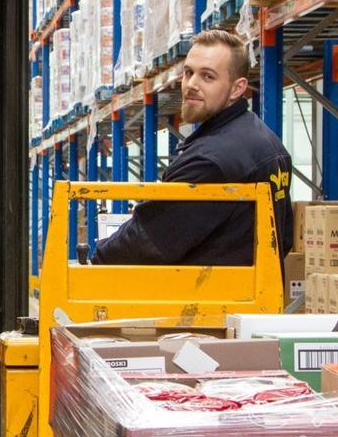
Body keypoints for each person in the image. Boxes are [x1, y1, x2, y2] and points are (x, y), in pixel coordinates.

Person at [92, 30, 293, 265]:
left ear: (237, 88)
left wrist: (98, 257)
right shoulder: (269, 143)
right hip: (250, 296)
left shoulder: (211, 161)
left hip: (207, 298)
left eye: (208, 77)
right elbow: (284, 239)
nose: (191, 85)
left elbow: (147, 241)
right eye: (189, 73)